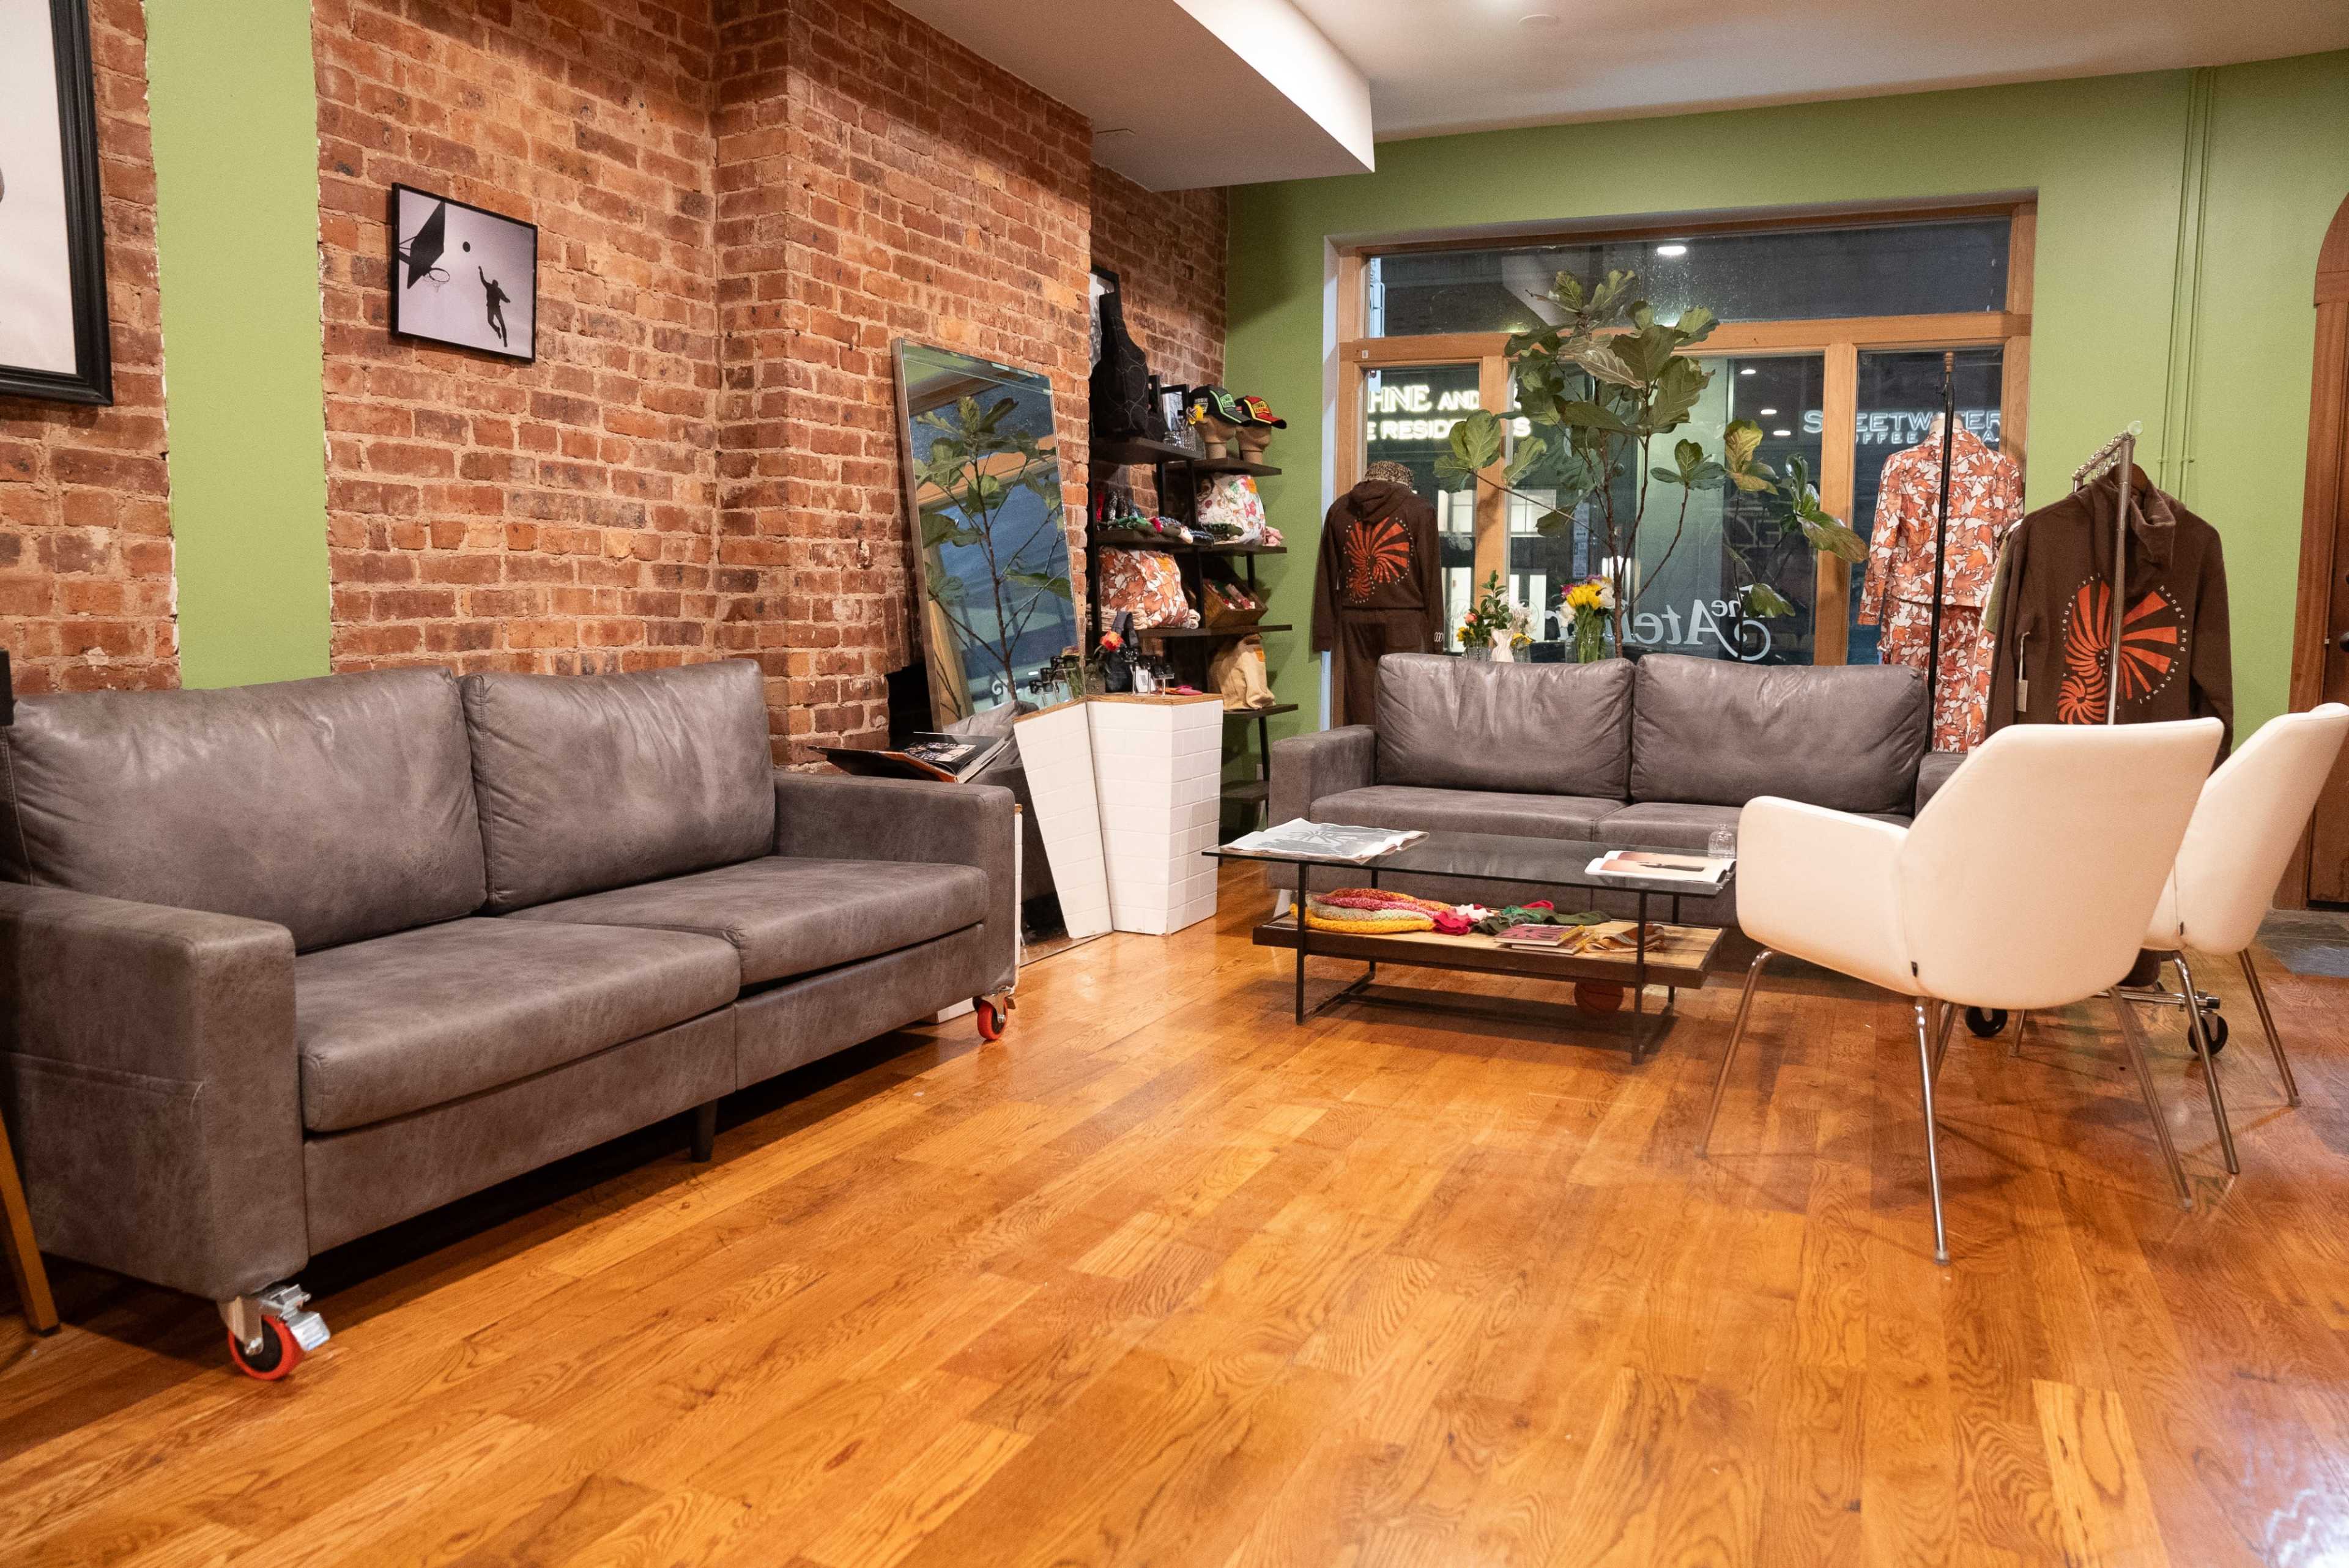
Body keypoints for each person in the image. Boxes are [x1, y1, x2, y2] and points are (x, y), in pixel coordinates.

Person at [480, 268, 511, 348]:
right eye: (494, 284)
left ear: (496, 285)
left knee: (502, 324)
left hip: (496, 308)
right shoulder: (489, 286)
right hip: (491, 307)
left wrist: (506, 300)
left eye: (495, 284)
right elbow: (483, 280)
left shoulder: (497, 289)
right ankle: (497, 329)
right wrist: (481, 271)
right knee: (490, 321)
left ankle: (505, 340)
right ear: (494, 284)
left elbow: (503, 297)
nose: (494, 285)